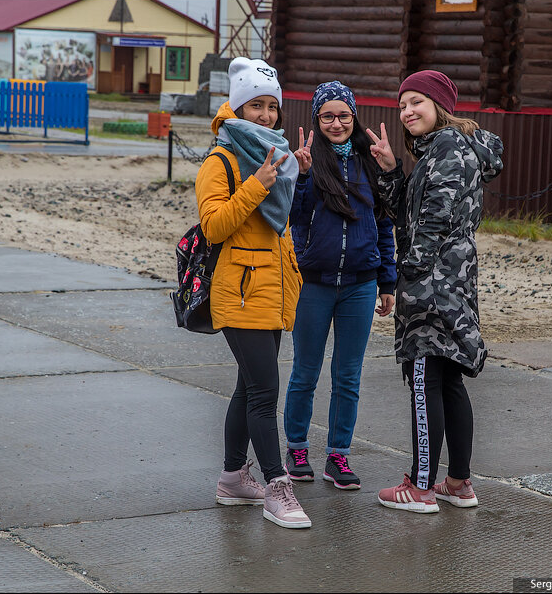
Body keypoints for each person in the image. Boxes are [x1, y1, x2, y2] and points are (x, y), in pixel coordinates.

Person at [365, 70, 504, 513]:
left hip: (433, 284)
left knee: (425, 379)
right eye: (402, 105)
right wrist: (390, 170)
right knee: (448, 380)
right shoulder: (443, 149)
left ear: (440, 106)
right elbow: (412, 207)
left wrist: (409, 270)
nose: (407, 112)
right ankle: (459, 483)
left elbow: (435, 218)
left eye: (416, 103)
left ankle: (421, 486)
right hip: (452, 280)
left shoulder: (446, 147)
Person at [195, 57, 310, 529]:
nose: (265, 115)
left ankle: (232, 479)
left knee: (247, 389)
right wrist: (258, 185)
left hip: (272, 290)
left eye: (271, 107)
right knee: (265, 393)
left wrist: (291, 174)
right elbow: (214, 227)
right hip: (240, 293)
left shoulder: (275, 154)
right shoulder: (220, 159)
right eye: (255, 106)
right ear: (237, 107)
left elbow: (278, 226)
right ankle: (277, 488)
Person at [282, 81, 397, 489]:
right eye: (327, 116)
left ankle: (338, 457)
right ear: (316, 118)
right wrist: (300, 176)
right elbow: (291, 218)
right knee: (305, 372)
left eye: (343, 115)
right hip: (312, 284)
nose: (336, 123)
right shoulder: (307, 162)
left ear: (354, 117)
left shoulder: (369, 162)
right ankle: (297, 447)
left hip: (360, 286)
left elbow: (384, 225)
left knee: (347, 375)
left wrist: (388, 281)